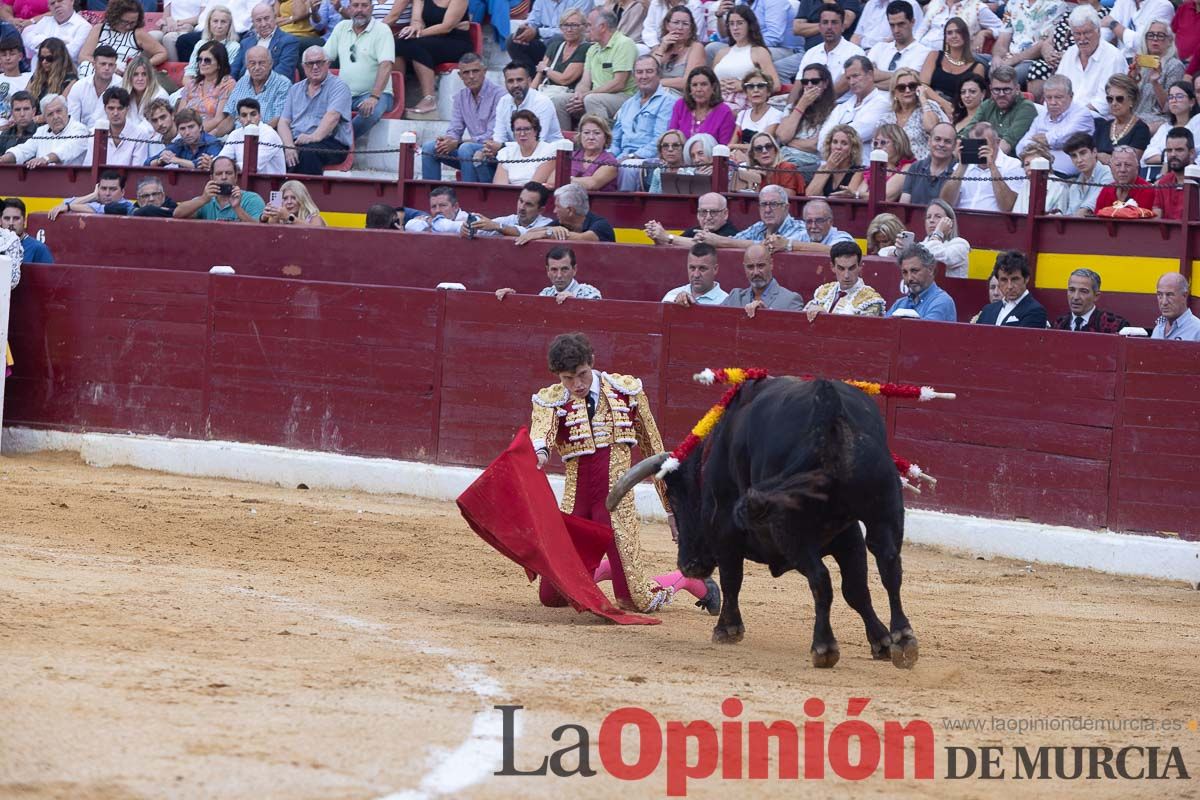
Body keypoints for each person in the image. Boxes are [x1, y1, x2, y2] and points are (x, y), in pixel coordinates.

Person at [526, 332, 718, 614]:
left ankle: (688, 579)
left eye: (582, 374)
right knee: (553, 596)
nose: (576, 385)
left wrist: (672, 509)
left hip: (616, 506)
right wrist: (539, 453)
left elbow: (656, 454)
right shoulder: (549, 400)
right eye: (567, 378)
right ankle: (607, 569)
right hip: (575, 508)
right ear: (557, 375)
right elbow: (540, 433)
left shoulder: (626, 391)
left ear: (592, 362)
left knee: (636, 600)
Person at [422, 52, 503, 182]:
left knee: (466, 149)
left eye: (475, 71)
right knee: (429, 148)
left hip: (494, 153)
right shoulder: (460, 97)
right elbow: (455, 129)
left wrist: (458, 142)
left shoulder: (499, 96)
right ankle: (432, 197)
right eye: (466, 73)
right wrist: (447, 140)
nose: (471, 76)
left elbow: (492, 136)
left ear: (484, 71)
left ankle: (467, 198)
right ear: (460, 75)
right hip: (469, 150)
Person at [278, 46, 352, 175]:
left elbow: (332, 116)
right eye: (310, 63)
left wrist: (313, 137)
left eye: (319, 62)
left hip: (330, 142)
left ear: (327, 64)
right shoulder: (295, 89)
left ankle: (305, 193)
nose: (315, 67)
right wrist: (289, 146)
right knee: (273, 152)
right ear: (303, 66)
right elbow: (283, 121)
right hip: (297, 141)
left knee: (307, 153)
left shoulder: (339, 87)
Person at [556, 8, 636, 127]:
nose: (586, 29)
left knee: (592, 100)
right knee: (558, 101)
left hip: (624, 97)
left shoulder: (624, 44)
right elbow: (584, 82)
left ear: (602, 27)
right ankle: (565, 143)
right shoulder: (593, 48)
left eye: (589, 25)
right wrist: (579, 95)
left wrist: (587, 95)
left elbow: (619, 83)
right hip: (595, 95)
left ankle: (604, 142)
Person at [393, 0, 471, 118]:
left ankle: (429, 99)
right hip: (430, 38)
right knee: (398, 43)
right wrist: (414, 29)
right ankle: (396, 95)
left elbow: (447, 26)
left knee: (415, 45)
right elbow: (416, 20)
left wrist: (419, 34)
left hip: (455, 41)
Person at [480, 61, 563, 171]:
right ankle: (485, 188)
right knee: (469, 151)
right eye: (510, 81)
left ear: (529, 81)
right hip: (512, 154)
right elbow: (499, 136)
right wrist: (492, 148)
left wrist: (501, 147)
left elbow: (537, 141)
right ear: (505, 83)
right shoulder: (503, 101)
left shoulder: (542, 102)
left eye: (519, 80)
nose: (515, 85)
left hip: (544, 157)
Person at [609, 53, 673, 191]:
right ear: (634, 76)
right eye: (639, 72)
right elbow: (615, 139)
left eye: (649, 71)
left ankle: (624, 206)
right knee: (598, 165)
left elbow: (659, 140)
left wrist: (632, 156)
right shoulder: (628, 104)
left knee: (627, 167)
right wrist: (608, 157)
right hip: (624, 156)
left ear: (659, 74)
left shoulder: (668, 101)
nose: (644, 76)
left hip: (649, 159)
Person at [1015, 75, 1095, 177]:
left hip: (1063, 176)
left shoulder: (1082, 114)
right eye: (1049, 97)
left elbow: (1062, 139)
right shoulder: (1042, 116)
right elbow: (1021, 147)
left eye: (1058, 97)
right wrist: (1051, 145)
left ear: (1071, 96)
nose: (1053, 102)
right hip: (1035, 170)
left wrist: (1042, 143)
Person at [1055, 5, 1127, 117]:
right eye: (1077, 34)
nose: (1082, 39)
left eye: (1087, 33)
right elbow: (1056, 88)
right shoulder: (1070, 53)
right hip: (1064, 115)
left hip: (1095, 120)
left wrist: (1071, 116)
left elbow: (1104, 103)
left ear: (1098, 31)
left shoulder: (1113, 57)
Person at [819, 55, 890, 166]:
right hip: (830, 165)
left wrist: (833, 141)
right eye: (848, 78)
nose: (852, 82)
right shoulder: (842, 107)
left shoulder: (882, 104)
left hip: (861, 168)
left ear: (870, 75)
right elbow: (822, 141)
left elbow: (855, 134)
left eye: (856, 76)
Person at [941, 121, 1025, 213]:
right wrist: (962, 166)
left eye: (983, 144)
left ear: (997, 142)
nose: (979, 149)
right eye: (974, 144)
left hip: (992, 223)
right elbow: (946, 204)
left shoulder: (1012, 165)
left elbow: (1008, 206)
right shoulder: (962, 166)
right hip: (961, 220)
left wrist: (992, 166)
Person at [711, 3, 779, 114]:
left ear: (749, 25)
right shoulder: (722, 53)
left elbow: (775, 85)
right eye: (731, 24)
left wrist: (744, 85)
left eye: (740, 23)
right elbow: (710, 81)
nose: (735, 28)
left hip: (744, 106)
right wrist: (717, 86)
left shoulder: (759, 52)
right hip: (717, 100)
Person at [76, 0, 166, 79]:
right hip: (96, 70)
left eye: (133, 22)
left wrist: (141, 65)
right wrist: (107, 65)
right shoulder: (99, 29)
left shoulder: (138, 33)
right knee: (85, 65)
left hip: (121, 75)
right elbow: (83, 56)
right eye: (125, 22)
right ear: (115, 17)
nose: (128, 26)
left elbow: (162, 53)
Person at [918, 15, 986, 119]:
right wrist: (943, 103)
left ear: (966, 35)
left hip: (957, 112)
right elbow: (922, 85)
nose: (954, 36)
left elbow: (975, 98)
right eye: (949, 33)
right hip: (929, 105)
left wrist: (952, 110)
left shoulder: (977, 67)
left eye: (958, 32)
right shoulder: (934, 55)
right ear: (945, 38)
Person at [881, 198, 969, 277]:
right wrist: (898, 252)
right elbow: (882, 252)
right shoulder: (922, 245)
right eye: (928, 217)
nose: (931, 220)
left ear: (950, 222)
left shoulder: (960, 244)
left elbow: (936, 256)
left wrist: (938, 234)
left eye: (937, 216)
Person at [699, 184, 804, 250]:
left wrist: (721, 241)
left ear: (786, 207)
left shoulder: (799, 229)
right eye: (763, 205)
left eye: (773, 204)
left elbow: (770, 245)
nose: (767, 210)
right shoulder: (759, 227)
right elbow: (735, 240)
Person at [777, 63, 836, 179]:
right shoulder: (792, 107)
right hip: (783, 157)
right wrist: (802, 105)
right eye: (805, 82)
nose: (809, 85)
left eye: (814, 81)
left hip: (809, 162)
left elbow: (816, 144)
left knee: (786, 171)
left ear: (825, 83)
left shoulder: (834, 111)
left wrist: (789, 142)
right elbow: (783, 136)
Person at [218, 47, 292, 137]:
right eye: (252, 63)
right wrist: (211, 136)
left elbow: (277, 120)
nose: (257, 68)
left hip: (265, 138)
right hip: (237, 137)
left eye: (262, 63)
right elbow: (231, 118)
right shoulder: (242, 81)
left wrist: (250, 136)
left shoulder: (283, 83)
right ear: (246, 65)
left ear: (271, 64)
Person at [805, 240, 885, 320]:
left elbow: (860, 331)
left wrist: (825, 316)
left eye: (851, 268)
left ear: (860, 266)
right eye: (841, 268)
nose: (846, 275)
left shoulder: (870, 301)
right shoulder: (823, 292)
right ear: (832, 267)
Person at [0, 92, 87, 166]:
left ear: (67, 110)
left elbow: (67, 149)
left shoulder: (80, 129)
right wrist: (3, 159)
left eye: (59, 111)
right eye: (50, 114)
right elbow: (24, 150)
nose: (55, 117)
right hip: (42, 181)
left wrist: (45, 159)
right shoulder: (42, 131)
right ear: (44, 117)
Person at [720, 243, 805, 317]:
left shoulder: (790, 300)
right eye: (750, 267)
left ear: (771, 264)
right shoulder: (735, 296)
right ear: (744, 268)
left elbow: (795, 333)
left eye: (760, 266)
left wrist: (767, 315)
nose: (756, 272)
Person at [173, 155, 266, 222]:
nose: (224, 177)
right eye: (219, 174)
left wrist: (237, 208)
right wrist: (203, 199)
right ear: (212, 178)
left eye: (228, 173)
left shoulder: (251, 199)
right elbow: (177, 214)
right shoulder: (206, 199)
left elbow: (259, 229)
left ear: (236, 177)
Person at [531, 8, 591, 111]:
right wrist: (530, 93)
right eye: (565, 25)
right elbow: (539, 74)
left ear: (584, 27)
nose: (569, 29)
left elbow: (565, 79)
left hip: (566, 94)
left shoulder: (585, 48)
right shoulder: (554, 46)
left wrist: (546, 70)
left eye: (574, 25)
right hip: (547, 91)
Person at [795, 3, 862, 95]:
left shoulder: (855, 53)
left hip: (841, 105)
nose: (829, 27)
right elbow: (798, 86)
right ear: (819, 27)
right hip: (812, 103)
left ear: (842, 27)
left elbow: (841, 88)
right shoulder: (811, 53)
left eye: (834, 22)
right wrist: (789, 107)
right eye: (825, 22)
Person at [991, 0, 1061, 88]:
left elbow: (1044, 44)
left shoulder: (1056, 5)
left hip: (1032, 60)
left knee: (1006, 77)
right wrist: (997, 57)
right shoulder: (1013, 3)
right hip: (1008, 57)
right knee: (977, 63)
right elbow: (1002, 39)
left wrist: (1012, 61)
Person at [880, 68, 946, 161]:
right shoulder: (886, 118)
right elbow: (878, 147)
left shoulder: (928, 108)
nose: (907, 90)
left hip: (921, 169)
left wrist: (923, 98)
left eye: (912, 86)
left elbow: (933, 128)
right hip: (893, 169)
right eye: (901, 88)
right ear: (895, 93)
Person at [507, 0, 596, 68]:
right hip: (543, 42)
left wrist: (537, 32)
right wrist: (524, 31)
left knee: (558, 39)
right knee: (513, 41)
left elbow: (572, 29)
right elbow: (532, 21)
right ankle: (530, 77)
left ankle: (549, 77)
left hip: (570, 41)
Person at [515, 183, 616, 243]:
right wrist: (550, 229)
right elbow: (530, 234)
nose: (554, 211)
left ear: (570, 210)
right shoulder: (560, 224)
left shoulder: (601, 225)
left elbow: (582, 238)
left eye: (558, 207)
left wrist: (548, 233)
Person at [496, 245, 603, 301]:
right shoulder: (545, 293)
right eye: (554, 270)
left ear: (574, 270)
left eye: (564, 269)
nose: (559, 275)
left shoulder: (590, 293)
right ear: (547, 271)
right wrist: (511, 299)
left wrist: (575, 304)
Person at [973, 250, 1047, 328]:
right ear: (998, 281)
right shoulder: (988, 310)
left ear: (1026, 279)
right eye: (1004, 280)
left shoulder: (1035, 311)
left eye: (1015, 279)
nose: (1009, 286)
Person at [867, 1, 931, 89]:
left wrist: (874, 84)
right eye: (892, 25)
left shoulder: (924, 53)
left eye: (901, 24)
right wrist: (900, 76)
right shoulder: (879, 47)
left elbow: (908, 82)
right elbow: (864, 75)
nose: (896, 30)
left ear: (912, 22)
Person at [1133, 21, 1183, 132]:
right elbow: (1126, 100)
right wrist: (1132, 77)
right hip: (1134, 117)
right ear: (1145, 39)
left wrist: (1155, 83)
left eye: (1160, 35)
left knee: (1140, 130)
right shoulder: (1140, 63)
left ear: (1169, 41)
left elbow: (1168, 107)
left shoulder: (1174, 66)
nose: (1155, 39)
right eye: (1151, 35)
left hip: (1158, 120)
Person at [86, 86, 154, 166]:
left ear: (127, 109)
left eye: (120, 108)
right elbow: (89, 166)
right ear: (105, 109)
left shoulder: (140, 135)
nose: (115, 113)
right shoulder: (95, 134)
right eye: (111, 108)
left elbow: (137, 170)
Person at [1089, 74, 1149, 164]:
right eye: (1110, 99)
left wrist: (1106, 158)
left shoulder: (1141, 129)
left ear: (1131, 100)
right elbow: (1090, 156)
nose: (1114, 103)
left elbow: (1131, 162)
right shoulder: (1102, 126)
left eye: (1119, 99)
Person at [887, 244, 957, 320]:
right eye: (905, 272)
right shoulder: (899, 303)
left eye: (914, 271)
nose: (909, 278)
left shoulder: (942, 301)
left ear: (930, 270)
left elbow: (923, 331)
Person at [230, 3, 300, 80]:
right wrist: (229, 82)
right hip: (242, 86)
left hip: (271, 88)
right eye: (258, 20)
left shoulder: (289, 41)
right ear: (253, 23)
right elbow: (234, 69)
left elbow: (284, 72)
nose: (263, 24)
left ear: (274, 17)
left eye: (266, 18)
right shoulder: (245, 42)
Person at [178, 41, 237, 133]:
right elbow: (180, 115)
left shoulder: (227, 84)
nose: (202, 63)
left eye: (207, 60)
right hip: (185, 133)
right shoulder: (192, 84)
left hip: (209, 134)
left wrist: (195, 133)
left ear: (219, 64)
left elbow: (218, 119)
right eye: (200, 59)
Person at [846, 122, 913, 201]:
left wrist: (857, 194)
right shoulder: (873, 168)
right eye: (876, 143)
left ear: (898, 143)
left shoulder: (908, 167)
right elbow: (860, 196)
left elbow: (886, 196)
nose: (878, 146)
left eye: (883, 142)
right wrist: (857, 194)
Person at [462, 181, 555, 237]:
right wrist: (469, 228)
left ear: (540, 210)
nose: (522, 207)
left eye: (529, 204)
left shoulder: (547, 224)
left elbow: (527, 233)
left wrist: (497, 226)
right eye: (521, 201)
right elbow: (485, 229)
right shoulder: (509, 219)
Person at [218, 98, 287, 174]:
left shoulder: (270, 134)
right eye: (244, 115)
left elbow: (252, 166)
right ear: (239, 119)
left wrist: (222, 166)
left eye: (253, 114)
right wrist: (212, 163)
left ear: (260, 116)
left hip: (271, 183)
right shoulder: (235, 134)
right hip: (242, 181)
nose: (249, 119)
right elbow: (223, 157)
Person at [667, 65, 734, 144]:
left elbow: (724, 147)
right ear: (689, 89)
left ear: (713, 87)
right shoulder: (681, 105)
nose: (698, 89)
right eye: (694, 85)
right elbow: (671, 137)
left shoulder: (724, 111)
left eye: (703, 84)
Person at [645, 5, 703, 95]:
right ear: (667, 25)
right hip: (655, 94)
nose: (680, 27)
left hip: (678, 97)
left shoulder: (696, 47)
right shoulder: (662, 47)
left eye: (685, 24)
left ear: (691, 29)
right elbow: (647, 71)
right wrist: (662, 48)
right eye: (676, 22)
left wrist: (656, 83)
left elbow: (689, 81)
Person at [644, 191, 738, 246]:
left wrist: (667, 237)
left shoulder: (732, 234)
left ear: (725, 214)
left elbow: (703, 245)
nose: (708, 217)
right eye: (703, 212)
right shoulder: (693, 231)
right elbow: (673, 246)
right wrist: (658, 238)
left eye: (713, 212)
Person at [1050, 268, 1130, 332]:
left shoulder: (1115, 326)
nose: (1076, 297)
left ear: (1096, 296)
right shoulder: (1058, 324)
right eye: (1072, 290)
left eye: (1083, 291)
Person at [898, 120, 957, 205]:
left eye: (947, 141)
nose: (941, 144)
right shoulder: (915, 167)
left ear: (954, 145)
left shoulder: (959, 170)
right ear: (929, 141)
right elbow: (904, 203)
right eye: (937, 139)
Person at [1142, 81, 1200, 166]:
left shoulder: (1197, 123)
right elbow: (1147, 155)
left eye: (1179, 96)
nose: (1174, 100)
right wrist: (1168, 159)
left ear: (1192, 102)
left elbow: (1195, 154)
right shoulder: (1165, 128)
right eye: (1170, 97)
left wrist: (1164, 157)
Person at [729, 69, 781, 163]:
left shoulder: (776, 115)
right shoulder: (742, 114)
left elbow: (761, 145)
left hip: (763, 161)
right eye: (750, 87)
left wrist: (734, 147)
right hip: (740, 159)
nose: (755, 90)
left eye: (760, 86)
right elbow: (732, 143)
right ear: (746, 93)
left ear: (768, 92)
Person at [494, 108, 557, 186]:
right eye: (518, 129)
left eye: (527, 129)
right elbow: (500, 188)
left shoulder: (550, 151)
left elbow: (533, 186)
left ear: (536, 131)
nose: (522, 133)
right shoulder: (506, 153)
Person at [181, 6, 242, 86]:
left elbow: (226, 74)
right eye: (215, 21)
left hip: (219, 87)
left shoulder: (234, 47)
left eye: (223, 22)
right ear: (209, 23)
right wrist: (193, 90)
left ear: (229, 25)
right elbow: (190, 72)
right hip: (195, 86)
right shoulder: (200, 44)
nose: (219, 26)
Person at [731, 131, 806, 195]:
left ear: (775, 150)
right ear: (753, 155)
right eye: (759, 148)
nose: (764, 151)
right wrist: (752, 178)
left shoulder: (786, 167)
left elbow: (789, 195)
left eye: (768, 146)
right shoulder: (752, 172)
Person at [1055, 132, 1112, 216]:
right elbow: (1070, 214)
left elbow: (1087, 211)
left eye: (1083, 153)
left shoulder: (1108, 174)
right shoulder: (1074, 187)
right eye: (1074, 156)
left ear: (1094, 152)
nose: (1079, 160)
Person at [146, 107, 222, 166]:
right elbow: (147, 163)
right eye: (182, 129)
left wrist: (176, 160)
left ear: (200, 127)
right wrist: (160, 160)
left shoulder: (212, 142)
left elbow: (203, 164)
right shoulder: (179, 143)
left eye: (191, 127)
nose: (187, 132)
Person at [46, 169, 135, 219]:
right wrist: (93, 195)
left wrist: (69, 207)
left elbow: (101, 209)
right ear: (98, 189)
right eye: (103, 189)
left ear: (122, 192)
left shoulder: (127, 205)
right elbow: (64, 203)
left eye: (112, 189)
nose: (107, 193)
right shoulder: (96, 202)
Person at [21, 0, 90, 63]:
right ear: (49, 7)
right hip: (36, 74)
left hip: (64, 74)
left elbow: (70, 54)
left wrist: (40, 45)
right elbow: (27, 39)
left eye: (60, 1)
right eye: (52, 3)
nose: (56, 5)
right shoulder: (45, 21)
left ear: (72, 1)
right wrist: (60, 43)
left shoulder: (84, 26)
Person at [1101, 0, 1173, 61]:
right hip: (1121, 60)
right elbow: (1104, 33)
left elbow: (1142, 43)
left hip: (1148, 62)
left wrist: (1113, 24)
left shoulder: (1163, 5)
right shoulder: (1122, 1)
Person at [66, 43, 117, 128]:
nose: (107, 68)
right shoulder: (79, 86)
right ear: (93, 64)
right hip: (81, 135)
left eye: (111, 65)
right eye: (103, 64)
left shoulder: (122, 86)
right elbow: (72, 121)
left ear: (115, 67)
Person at [662, 241, 728, 305]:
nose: (696, 275)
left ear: (715, 269)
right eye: (692, 268)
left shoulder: (726, 301)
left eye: (702, 268)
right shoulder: (671, 297)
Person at [1095, 145, 1157, 212]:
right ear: (1111, 167)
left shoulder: (1148, 191)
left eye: (1128, 165)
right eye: (1118, 165)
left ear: (1137, 167)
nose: (1122, 170)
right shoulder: (1106, 190)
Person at [805, 123, 861, 197]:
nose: (838, 147)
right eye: (835, 142)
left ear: (852, 148)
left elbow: (847, 197)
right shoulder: (823, 168)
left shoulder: (858, 171)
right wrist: (828, 168)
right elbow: (810, 195)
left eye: (844, 143)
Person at [1152, 127, 1194, 221]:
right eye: (1169, 150)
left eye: (1179, 150)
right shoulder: (1164, 182)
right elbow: (1156, 217)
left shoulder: (1197, 179)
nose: (1173, 154)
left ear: (1192, 153)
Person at [855, 0, 925, 52]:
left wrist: (874, 52)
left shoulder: (911, 4)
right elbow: (857, 35)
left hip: (887, 52)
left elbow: (913, 36)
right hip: (861, 52)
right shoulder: (871, 3)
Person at [120, 54, 168, 128]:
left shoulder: (160, 95)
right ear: (129, 77)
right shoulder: (122, 92)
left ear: (150, 76)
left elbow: (152, 127)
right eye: (135, 74)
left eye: (144, 74)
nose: (140, 78)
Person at [1, 197, 53, 262]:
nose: (11, 223)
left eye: (16, 218)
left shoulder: (39, 249)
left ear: (25, 221)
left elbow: (49, 272)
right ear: (0, 221)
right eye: (7, 218)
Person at [1150, 272, 1200, 341]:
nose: (1164, 302)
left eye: (1170, 295)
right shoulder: (1158, 328)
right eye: (1160, 295)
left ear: (1184, 296)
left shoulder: (1197, 330)